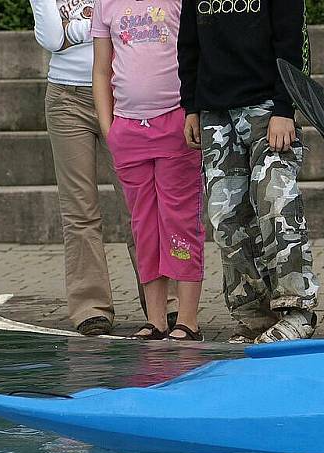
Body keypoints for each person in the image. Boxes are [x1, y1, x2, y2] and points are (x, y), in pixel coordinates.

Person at [29, 0, 177, 336]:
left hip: (121, 94)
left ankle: (162, 305)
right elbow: (52, 38)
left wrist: (76, 31)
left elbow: (133, 25)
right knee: (79, 209)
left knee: (141, 204)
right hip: (65, 98)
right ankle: (90, 307)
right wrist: (85, 27)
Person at [177, 0, 319, 344]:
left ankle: (297, 311)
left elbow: (292, 42)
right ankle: (253, 316)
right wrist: (191, 106)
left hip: (268, 111)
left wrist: (286, 107)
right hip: (215, 114)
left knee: (276, 201)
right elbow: (189, 42)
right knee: (226, 219)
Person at [92, 0, 205, 340]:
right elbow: (100, 69)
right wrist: (109, 128)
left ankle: (187, 320)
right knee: (143, 225)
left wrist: (191, 112)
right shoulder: (105, 4)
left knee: (180, 220)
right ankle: (155, 320)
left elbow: (194, 53)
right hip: (128, 129)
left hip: (174, 123)